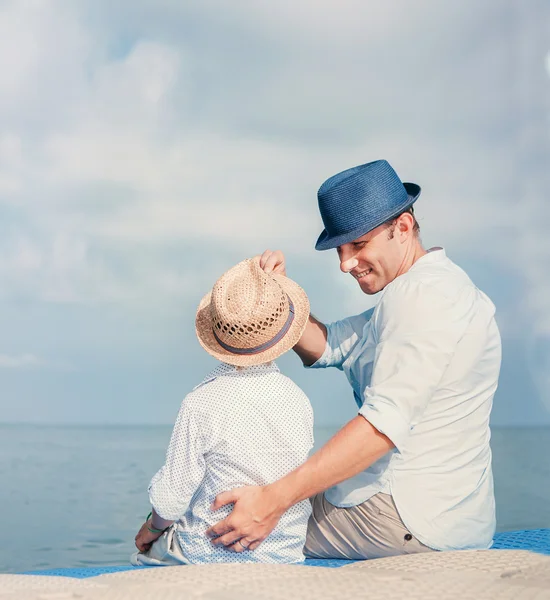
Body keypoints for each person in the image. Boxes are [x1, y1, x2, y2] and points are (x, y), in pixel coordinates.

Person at [205, 159, 502, 560]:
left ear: (402, 228)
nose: (345, 264)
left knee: (222, 525)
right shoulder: (427, 290)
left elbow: (382, 425)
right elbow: (329, 346)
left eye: (358, 245)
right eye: (340, 250)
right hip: (454, 520)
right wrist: (278, 294)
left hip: (403, 519)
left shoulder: (421, 298)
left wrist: (272, 502)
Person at [132, 257, 314, 565]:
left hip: (208, 554)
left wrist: (150, 528)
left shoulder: (201, 402)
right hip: (284, 554)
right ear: (282, 334)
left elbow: (173, 497)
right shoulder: (299, 400)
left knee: (145, 558)